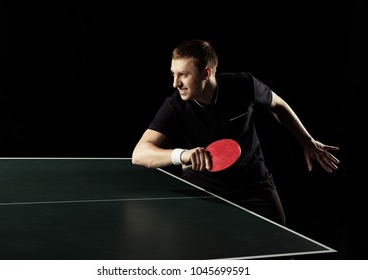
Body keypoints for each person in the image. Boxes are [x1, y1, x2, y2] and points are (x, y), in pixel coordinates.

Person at [131, 39, 340, 226]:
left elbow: (278, 105)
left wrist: (307, 141)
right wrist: (182, 155)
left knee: (277, 242)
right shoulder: (175, 106)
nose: (175, 83)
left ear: (206, 73)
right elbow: (139, 154)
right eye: (174, 74)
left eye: (183, 75)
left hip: (253, 183)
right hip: (204, 185)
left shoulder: (244, 85)